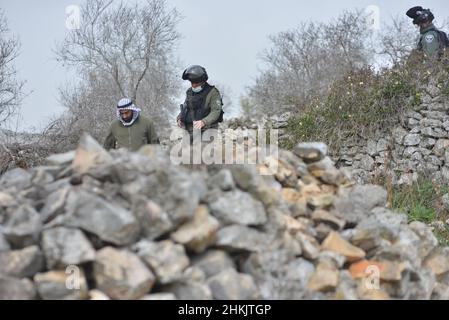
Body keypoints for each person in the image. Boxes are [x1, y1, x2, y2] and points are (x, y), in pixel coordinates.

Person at [176, 65, 224, 137]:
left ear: (203, 81)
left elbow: (216, 111)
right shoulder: (189, 92)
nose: (194, 85)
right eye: (192, 82)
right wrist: (179, 118)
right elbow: (186, 107)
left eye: (196, 83)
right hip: (190, 131)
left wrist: (203, 122)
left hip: (207, 130)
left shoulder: (213, 92)